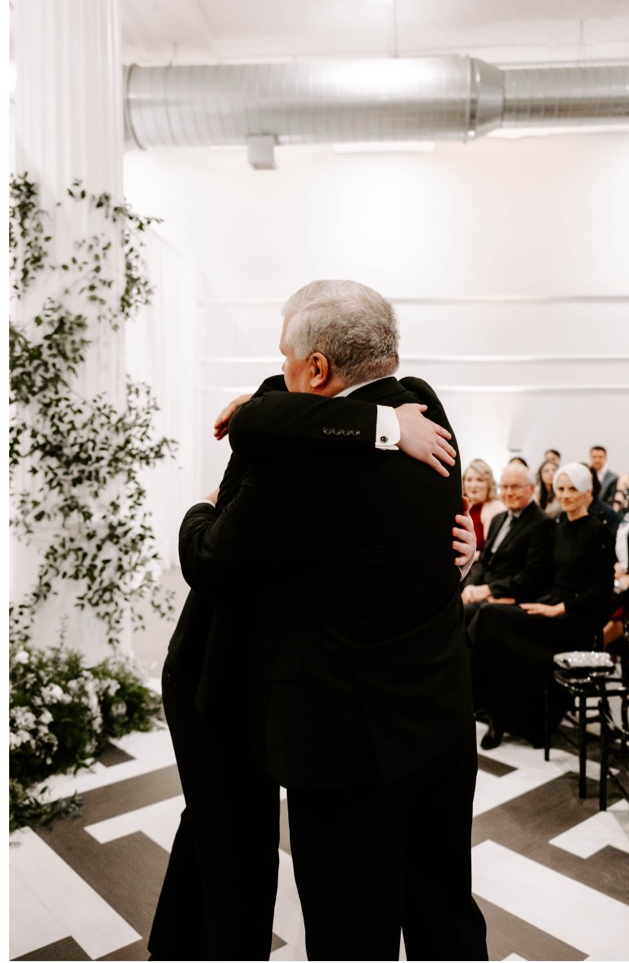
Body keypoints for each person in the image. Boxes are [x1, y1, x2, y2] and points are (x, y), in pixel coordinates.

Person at [179, 280, 486, 958]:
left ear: (316, 368)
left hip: (345, 737)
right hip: (439, 715)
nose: (279, 371)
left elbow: (210, 560)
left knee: (352, 928)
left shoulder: (294, 465)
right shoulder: (429, 417)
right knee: (445, 907)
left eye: (288, 356)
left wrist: (200, 509)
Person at [470, 463, 616, 749]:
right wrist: (515, 600)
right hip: (550, 607)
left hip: (574, 619)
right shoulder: (559, 526)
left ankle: (491, 711)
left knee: (490, 617)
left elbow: (601, 592)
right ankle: (497, 715)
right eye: (561, 488)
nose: (566, 495)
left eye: (573, 488)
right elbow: (545, 577)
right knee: (493, 621)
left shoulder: (598, 533)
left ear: (588, 492)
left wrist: (559, 608)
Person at [464, 462, 558, 609]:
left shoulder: (543, 523)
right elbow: (484, 561)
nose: (508, 493)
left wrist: (488, 590)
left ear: (531, 489)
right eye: (505, 487)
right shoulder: (499, 519)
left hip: (507, 597)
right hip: (482, 590)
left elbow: (532, 575)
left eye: (515, 487)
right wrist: (469, 588)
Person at [462, 458, 503, 551]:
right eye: (469, 480)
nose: (473, 485)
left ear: (489, 483)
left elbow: (492, 552)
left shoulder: (496, 507)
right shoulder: (461, 507)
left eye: (479, 480)